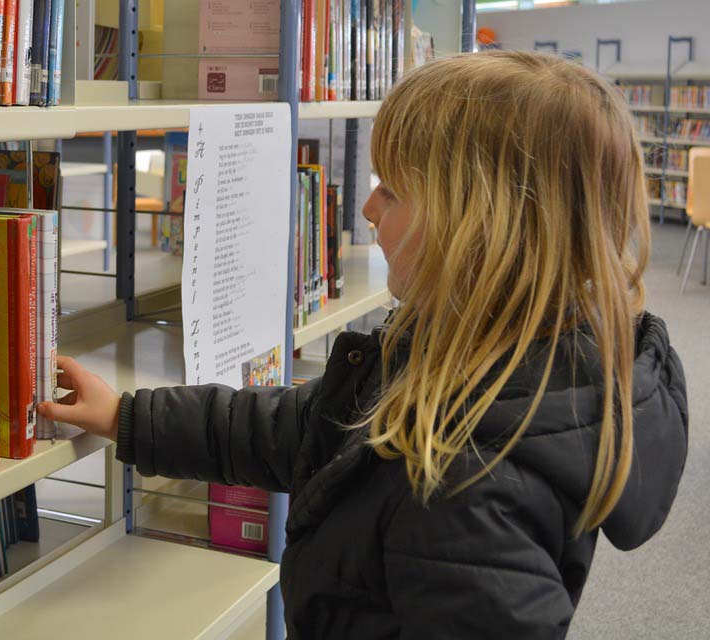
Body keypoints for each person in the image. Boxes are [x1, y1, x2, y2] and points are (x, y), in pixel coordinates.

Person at [37, 51, 688, 639]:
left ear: (481, 229)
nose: (369, 209)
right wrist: (128, 417)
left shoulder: (469, 486)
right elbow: (299, 429)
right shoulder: (458, 345)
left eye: (394, 190)